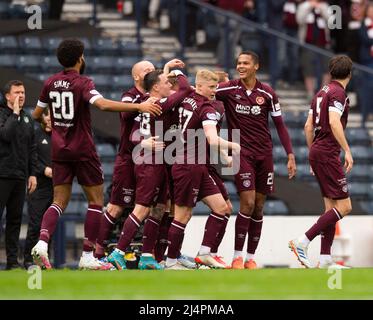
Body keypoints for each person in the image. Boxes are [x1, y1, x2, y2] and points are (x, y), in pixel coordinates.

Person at [30, 38, 161, 270]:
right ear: (80, 58)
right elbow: (103, 105)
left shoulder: (49, 82)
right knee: (96, 201)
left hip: (59, 150)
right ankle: (88, 256)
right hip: (82, 150)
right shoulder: (83, 82)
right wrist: (139, 107)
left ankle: (41, 242)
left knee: (59, 201)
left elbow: (37, 113)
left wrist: (56, 124)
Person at [216, 51, 296, 269]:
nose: (240, 66)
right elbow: (202, 91)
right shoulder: (229, 89)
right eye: (238, 63)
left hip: (265, 155)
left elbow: (280, 125)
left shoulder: (268, 93)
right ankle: (236, 257)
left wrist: (290, 154)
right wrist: (213, 78)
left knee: (259, 207)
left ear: (256, 66)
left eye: (245, 63)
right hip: (241, 153)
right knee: (248, 202)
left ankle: (251, 257)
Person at [107, 67, 194, 270]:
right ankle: (118, 252)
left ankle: (147, 256)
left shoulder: (145, 103)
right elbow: (186, 90)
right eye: (165, 82)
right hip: (150, 162)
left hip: (156, 159)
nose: (169, 84)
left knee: (159, 208)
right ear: (156, 87)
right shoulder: (159, 103)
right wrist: (177, 72)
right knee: (142, 207)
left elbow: (133, 133)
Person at [165, 69, 240, 270]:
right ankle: (171, 262)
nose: (215, 91)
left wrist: (174, 70)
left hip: (197, 165)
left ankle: (205, 253)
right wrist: (234, 147)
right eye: (211, 87)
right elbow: (212, 138)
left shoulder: (187, 96)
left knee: (222, 208)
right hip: (188, 165)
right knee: (182, 216)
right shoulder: (206, 108)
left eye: (216, 87)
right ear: (199, 86)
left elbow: (180, 79)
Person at [289, 55, 353, 269]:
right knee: (345, 206)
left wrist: (312, 153)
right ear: (350, 73)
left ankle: (325, 260)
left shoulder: (321, 92)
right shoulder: (338, 93)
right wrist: (347, 150)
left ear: (331, 71)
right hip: (327, 152)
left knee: (330, 208)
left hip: (318, 151)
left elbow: (308, 126)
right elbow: (334, 122)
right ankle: (303, 241)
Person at [0, 80, 37, 270]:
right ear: (7, 95)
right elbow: (5, 135)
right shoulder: (2, 114)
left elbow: (31, 148)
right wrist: (14, 113)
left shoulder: (28, 118)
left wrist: (32, 174)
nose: (21, 96)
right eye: (16, 92)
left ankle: (12, 262)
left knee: (15, 220)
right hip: (2, 174)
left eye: (22, 92)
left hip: (20, 176)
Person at [23, 109, 53, 270]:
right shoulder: (35, 134)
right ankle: (28, 259)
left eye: (52, 116)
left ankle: (47, 259)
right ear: (42, 117)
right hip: (38, 186)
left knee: (50, 226)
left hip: (56, 187)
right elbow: (30, 158)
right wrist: (43, 170)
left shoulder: (60, 136)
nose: (49, 119)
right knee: (35, 225)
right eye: (47, 115)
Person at [296, 0, 331, 100]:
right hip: (308, 43)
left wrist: (322, 9)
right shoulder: (303, 6)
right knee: (308, 68)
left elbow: (331, 22)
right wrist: (309, 7)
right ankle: (310, 93)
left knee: (327, 68)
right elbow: (299, 20)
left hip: (323, 43)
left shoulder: (325, 5)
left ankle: (323, 92)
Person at [358, 2, 373, 126]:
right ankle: (365, 115)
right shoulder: (363, 24)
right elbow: (365, 40)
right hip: (367, 60)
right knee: (368, 87)